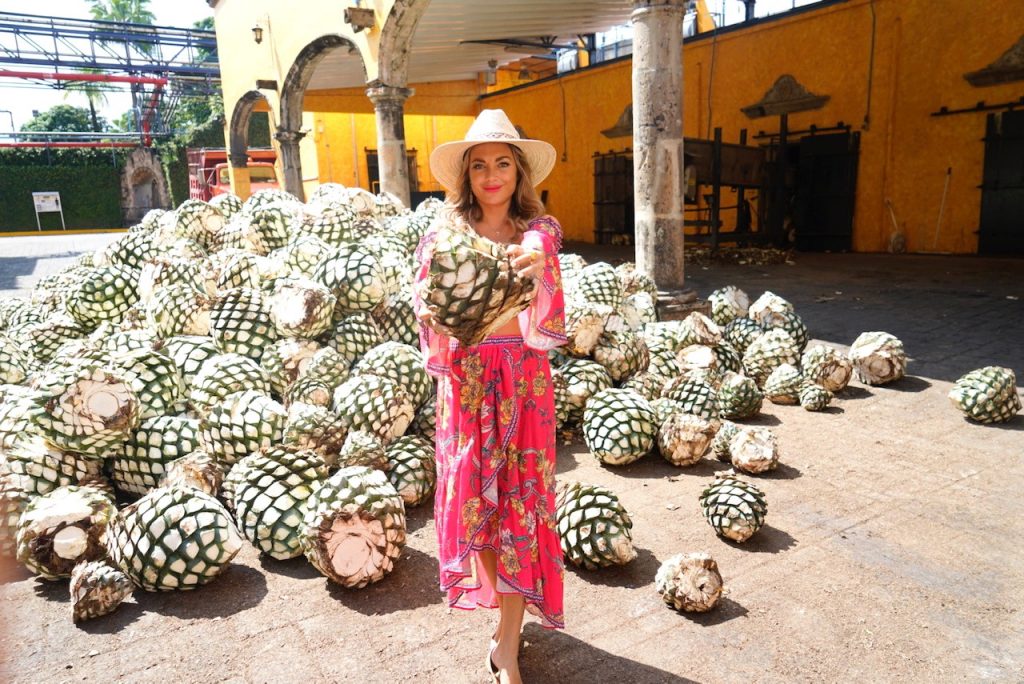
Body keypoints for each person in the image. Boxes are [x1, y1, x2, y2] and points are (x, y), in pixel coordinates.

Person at [413, 109, 567, 684]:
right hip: (468, 383)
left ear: (518, 171)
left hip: (523, 383)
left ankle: (507, 640)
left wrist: (535, 261)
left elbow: (541, 260)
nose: (492, 174)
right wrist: (428, 307)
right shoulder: (444, 234)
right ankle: (505, 622)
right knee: (478, 507)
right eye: (480, 165)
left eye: (503, 162)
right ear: (467, 176)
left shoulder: (538, 231)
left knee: (521, 509)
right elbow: (427, 301)